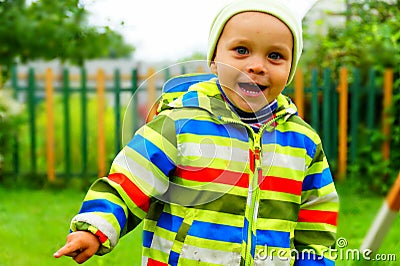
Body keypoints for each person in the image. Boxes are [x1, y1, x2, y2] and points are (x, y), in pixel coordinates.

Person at [54, 0, 339, 265]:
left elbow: (316, 219)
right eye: (241, 50)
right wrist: (95, 228)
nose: (257, 66)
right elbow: (129, 182)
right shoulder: (180, 125)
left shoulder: (303, 142)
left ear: (290, 70)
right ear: (214, 60)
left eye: (275, 56)